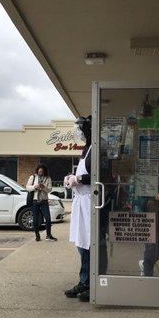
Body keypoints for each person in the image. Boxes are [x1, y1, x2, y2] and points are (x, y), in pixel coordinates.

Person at [64, 116, 92, 302]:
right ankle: (85, 281)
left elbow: (99, 173)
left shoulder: (96, 148)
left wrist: (79, 180)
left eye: (80, 129)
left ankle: (89, 283)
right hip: (81, 202)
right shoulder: (87, 149)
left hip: (91, 202)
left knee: (89, 244)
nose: (79, 133)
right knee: (81, 244)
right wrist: (71, 178)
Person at [138, 161, 159, 276]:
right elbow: (139, 195)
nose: (158, 161)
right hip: (149, 216)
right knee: (151, 246)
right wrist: (146, 202)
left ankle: (146, 264)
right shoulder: (146, 173)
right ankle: (148, 273)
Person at [26, 164, 57, 242]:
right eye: (39, 171)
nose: (40, 172)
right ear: (37, 171)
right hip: (35, 200)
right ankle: (37, 236)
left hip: (44, 201)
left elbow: (49, 190)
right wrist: (34, 187)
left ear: (44, 172)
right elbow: (27, 187)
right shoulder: (33, 177)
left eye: (42, 171)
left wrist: (43, 187)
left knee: (48, 218)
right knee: (35, 219)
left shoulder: (48, 178)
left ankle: (48, 235)